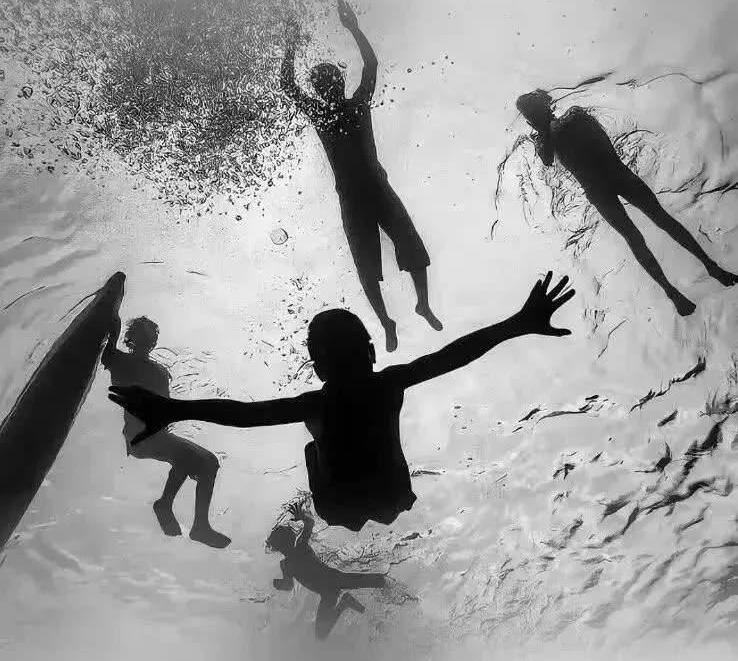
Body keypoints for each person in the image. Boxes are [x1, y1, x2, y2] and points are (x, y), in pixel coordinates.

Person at [108, 272, 575, 532]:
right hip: (393, 495)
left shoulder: (316, 402)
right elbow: (453, 355)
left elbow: (245, 415)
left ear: (317, 367)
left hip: (338, 506)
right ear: (371, 352)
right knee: (327, 446)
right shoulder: (389, 382)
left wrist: (177, 409)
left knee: (311, 447)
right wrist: (516, 324)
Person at [280, 0, 442, 352]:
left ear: (338, 82)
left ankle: (423, 304)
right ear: (321, 89)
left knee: (410, 243)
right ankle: (386, 322)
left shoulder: (356, 104)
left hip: (375, 189)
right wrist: (293, 41)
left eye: (330, 80)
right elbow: (289, 86)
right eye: (322, 83)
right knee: (366, 267)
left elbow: (370, 65)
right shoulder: (326, 113)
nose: (327, 85)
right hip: (354, 197)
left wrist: (354, 29)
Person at [515, 89, 738, 316]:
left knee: (659, 222)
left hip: (616, 178)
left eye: (533, 114)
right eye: (532, 117)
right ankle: (673, 290)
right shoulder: (546, 140)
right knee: (638, 234)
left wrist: (546, 124)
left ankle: (710, 268)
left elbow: (598, 140)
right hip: (603, 188)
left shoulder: (573, 117)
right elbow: (547, 160)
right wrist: (544, 127)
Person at [102, 314, 231, 548]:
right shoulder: (120, 361)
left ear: (153, 341)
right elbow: (107, 348)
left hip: (155, 436)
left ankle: (198, 524)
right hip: (140, 438)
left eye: (151, 335)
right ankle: (168, 506)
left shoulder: (159, 371)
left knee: (209, 462)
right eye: (142, 333)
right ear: (131, 338)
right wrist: (113, 319)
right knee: (191, 457)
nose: (147, 339)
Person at [266, 499, 385, 640]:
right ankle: (345, 603)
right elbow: (289, 585)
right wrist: (279, 584)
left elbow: (287, 585)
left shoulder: (298, 549)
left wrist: (278, 584)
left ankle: (357, 599)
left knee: (376, 581)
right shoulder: (288, 561)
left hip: (333, 580)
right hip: (328, 592)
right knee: (321, 635)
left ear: (278, 547)